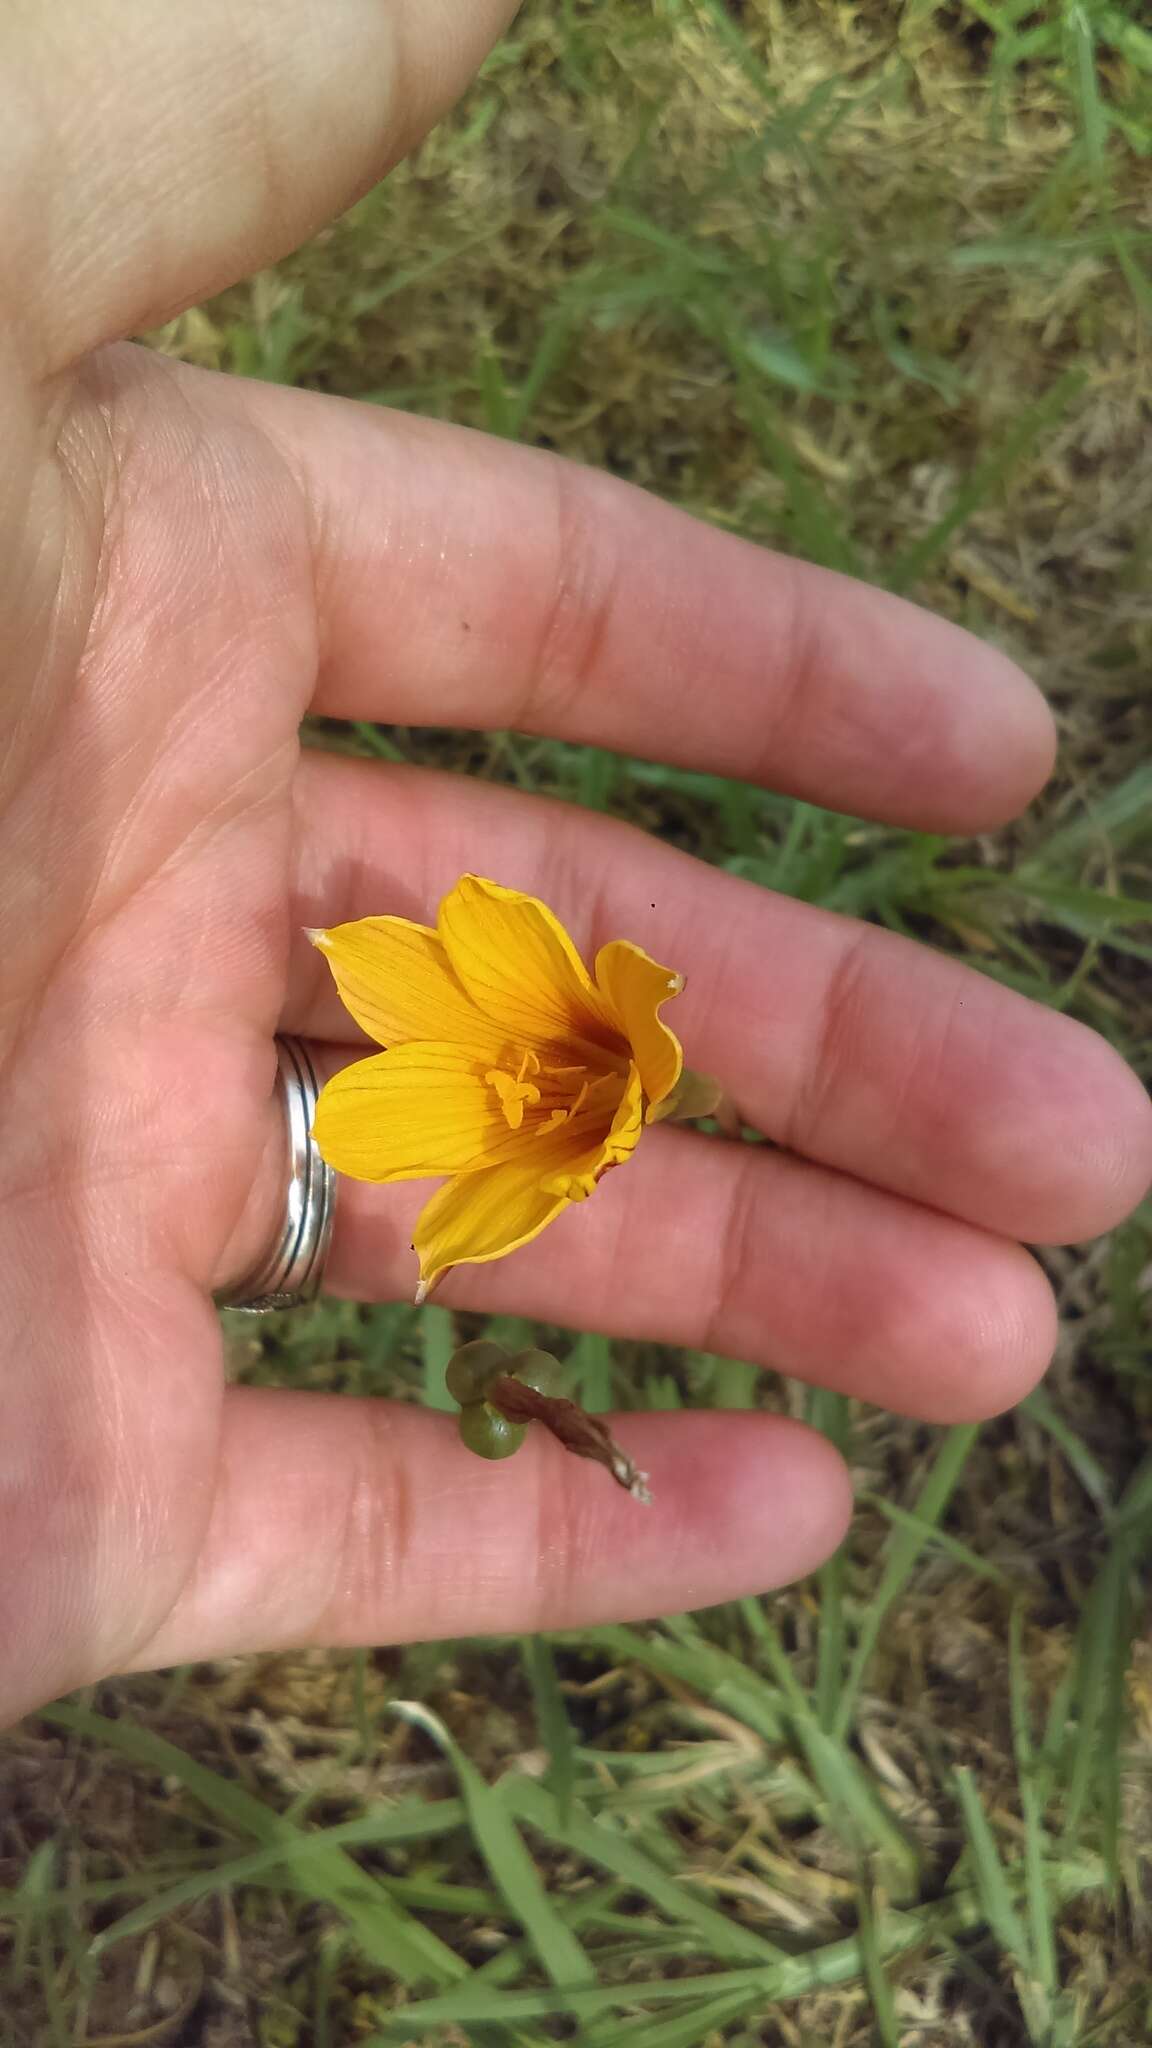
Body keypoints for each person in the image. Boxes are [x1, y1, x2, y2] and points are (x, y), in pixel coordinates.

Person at [1, 0, 1148, 1734]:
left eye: (594, 1075)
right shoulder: (522, 1089)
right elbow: (451, 1004)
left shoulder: (569, 1087)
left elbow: (504, 1041)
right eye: (592, 1075)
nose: (575, 1080)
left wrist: (595, 1089)